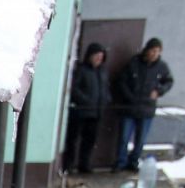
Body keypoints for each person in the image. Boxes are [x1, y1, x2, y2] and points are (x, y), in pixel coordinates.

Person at [113, 37, 173, 172]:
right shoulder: (134, 63)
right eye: (152, 51)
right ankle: (120, 162)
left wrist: (159, 91)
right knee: (123, 138)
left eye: (157, 52)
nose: (154, 54)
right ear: (147, 50)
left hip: (147, 109)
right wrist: (129, 96)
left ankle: (133, 162)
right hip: (130, 107)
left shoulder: (162, 67)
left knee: (140, 140)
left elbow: (169, 82)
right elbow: (122, 81)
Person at [62, 43, 110, 174]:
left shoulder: (103, 72)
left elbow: (105, 88)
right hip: (80, 112)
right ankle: (69, 165)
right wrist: (85, 101)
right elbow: (74, 89)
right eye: (96, 56)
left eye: (101, 57)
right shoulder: (81, 70)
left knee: (89, 141)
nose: (98, 60)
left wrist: (106, 99)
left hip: (96, 113)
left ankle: (85, 165)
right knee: (73, 140)